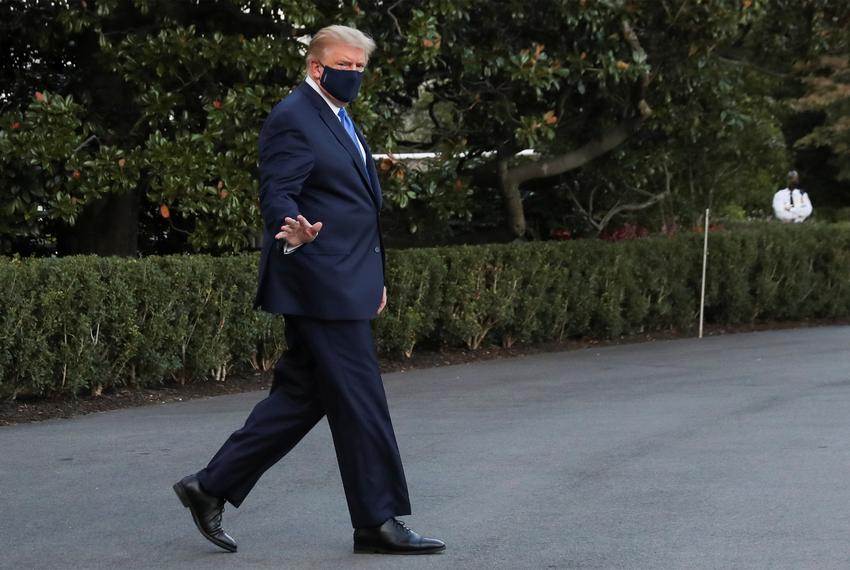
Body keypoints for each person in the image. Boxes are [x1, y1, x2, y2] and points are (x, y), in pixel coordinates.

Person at [172, 25, 445, 556]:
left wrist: (373, 278)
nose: (355, 75)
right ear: (316, 66)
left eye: (362, 68)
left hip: (346, 280)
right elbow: (279, 189)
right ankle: (377, 521)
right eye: (346, 65)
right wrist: (290, 228)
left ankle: (209, 486)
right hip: (319, 281)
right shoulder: (294, 116)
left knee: (303, 395)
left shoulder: (339, 118)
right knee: (362, 400)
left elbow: (355, 207)